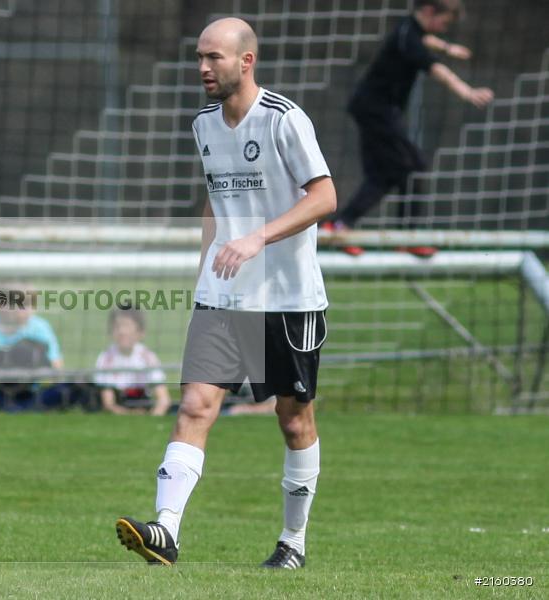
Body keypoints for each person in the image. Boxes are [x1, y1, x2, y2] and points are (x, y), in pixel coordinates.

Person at [115, 17, 336, 570]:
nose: (203, 68)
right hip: (223, 298)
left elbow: (325, 196)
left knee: (293, 419)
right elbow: (216, 200)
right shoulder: (204, 125)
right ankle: (165, 531)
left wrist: (257, 238)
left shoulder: (285, 120)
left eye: (214, 57)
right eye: (198, 57)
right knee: (195, 404)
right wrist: (204, 273)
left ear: (246, 61)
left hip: (287, 301)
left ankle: (293, 543)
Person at [324, 0, 493, 257]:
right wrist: (467, 91)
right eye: (445, 22)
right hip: (376, 110)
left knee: (382, 177)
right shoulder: (409, 38)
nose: (444, 28)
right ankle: (406, 236)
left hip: (373, 109)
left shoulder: (409, 30)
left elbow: (427, 41)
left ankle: (340, 225)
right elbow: (437, 69)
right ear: (428, 11)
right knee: (414, 166)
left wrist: (448, 47)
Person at [94, 306, 172, 416]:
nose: (122, 331)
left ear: (140, 332)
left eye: (127, 325)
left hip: (143, 405)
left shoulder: (148, 357)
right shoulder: (106, 358)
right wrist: (130, 414)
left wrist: (153, 416)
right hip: (121, 406)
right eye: (117, 326)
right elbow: (108, 404)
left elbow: (164, 400)